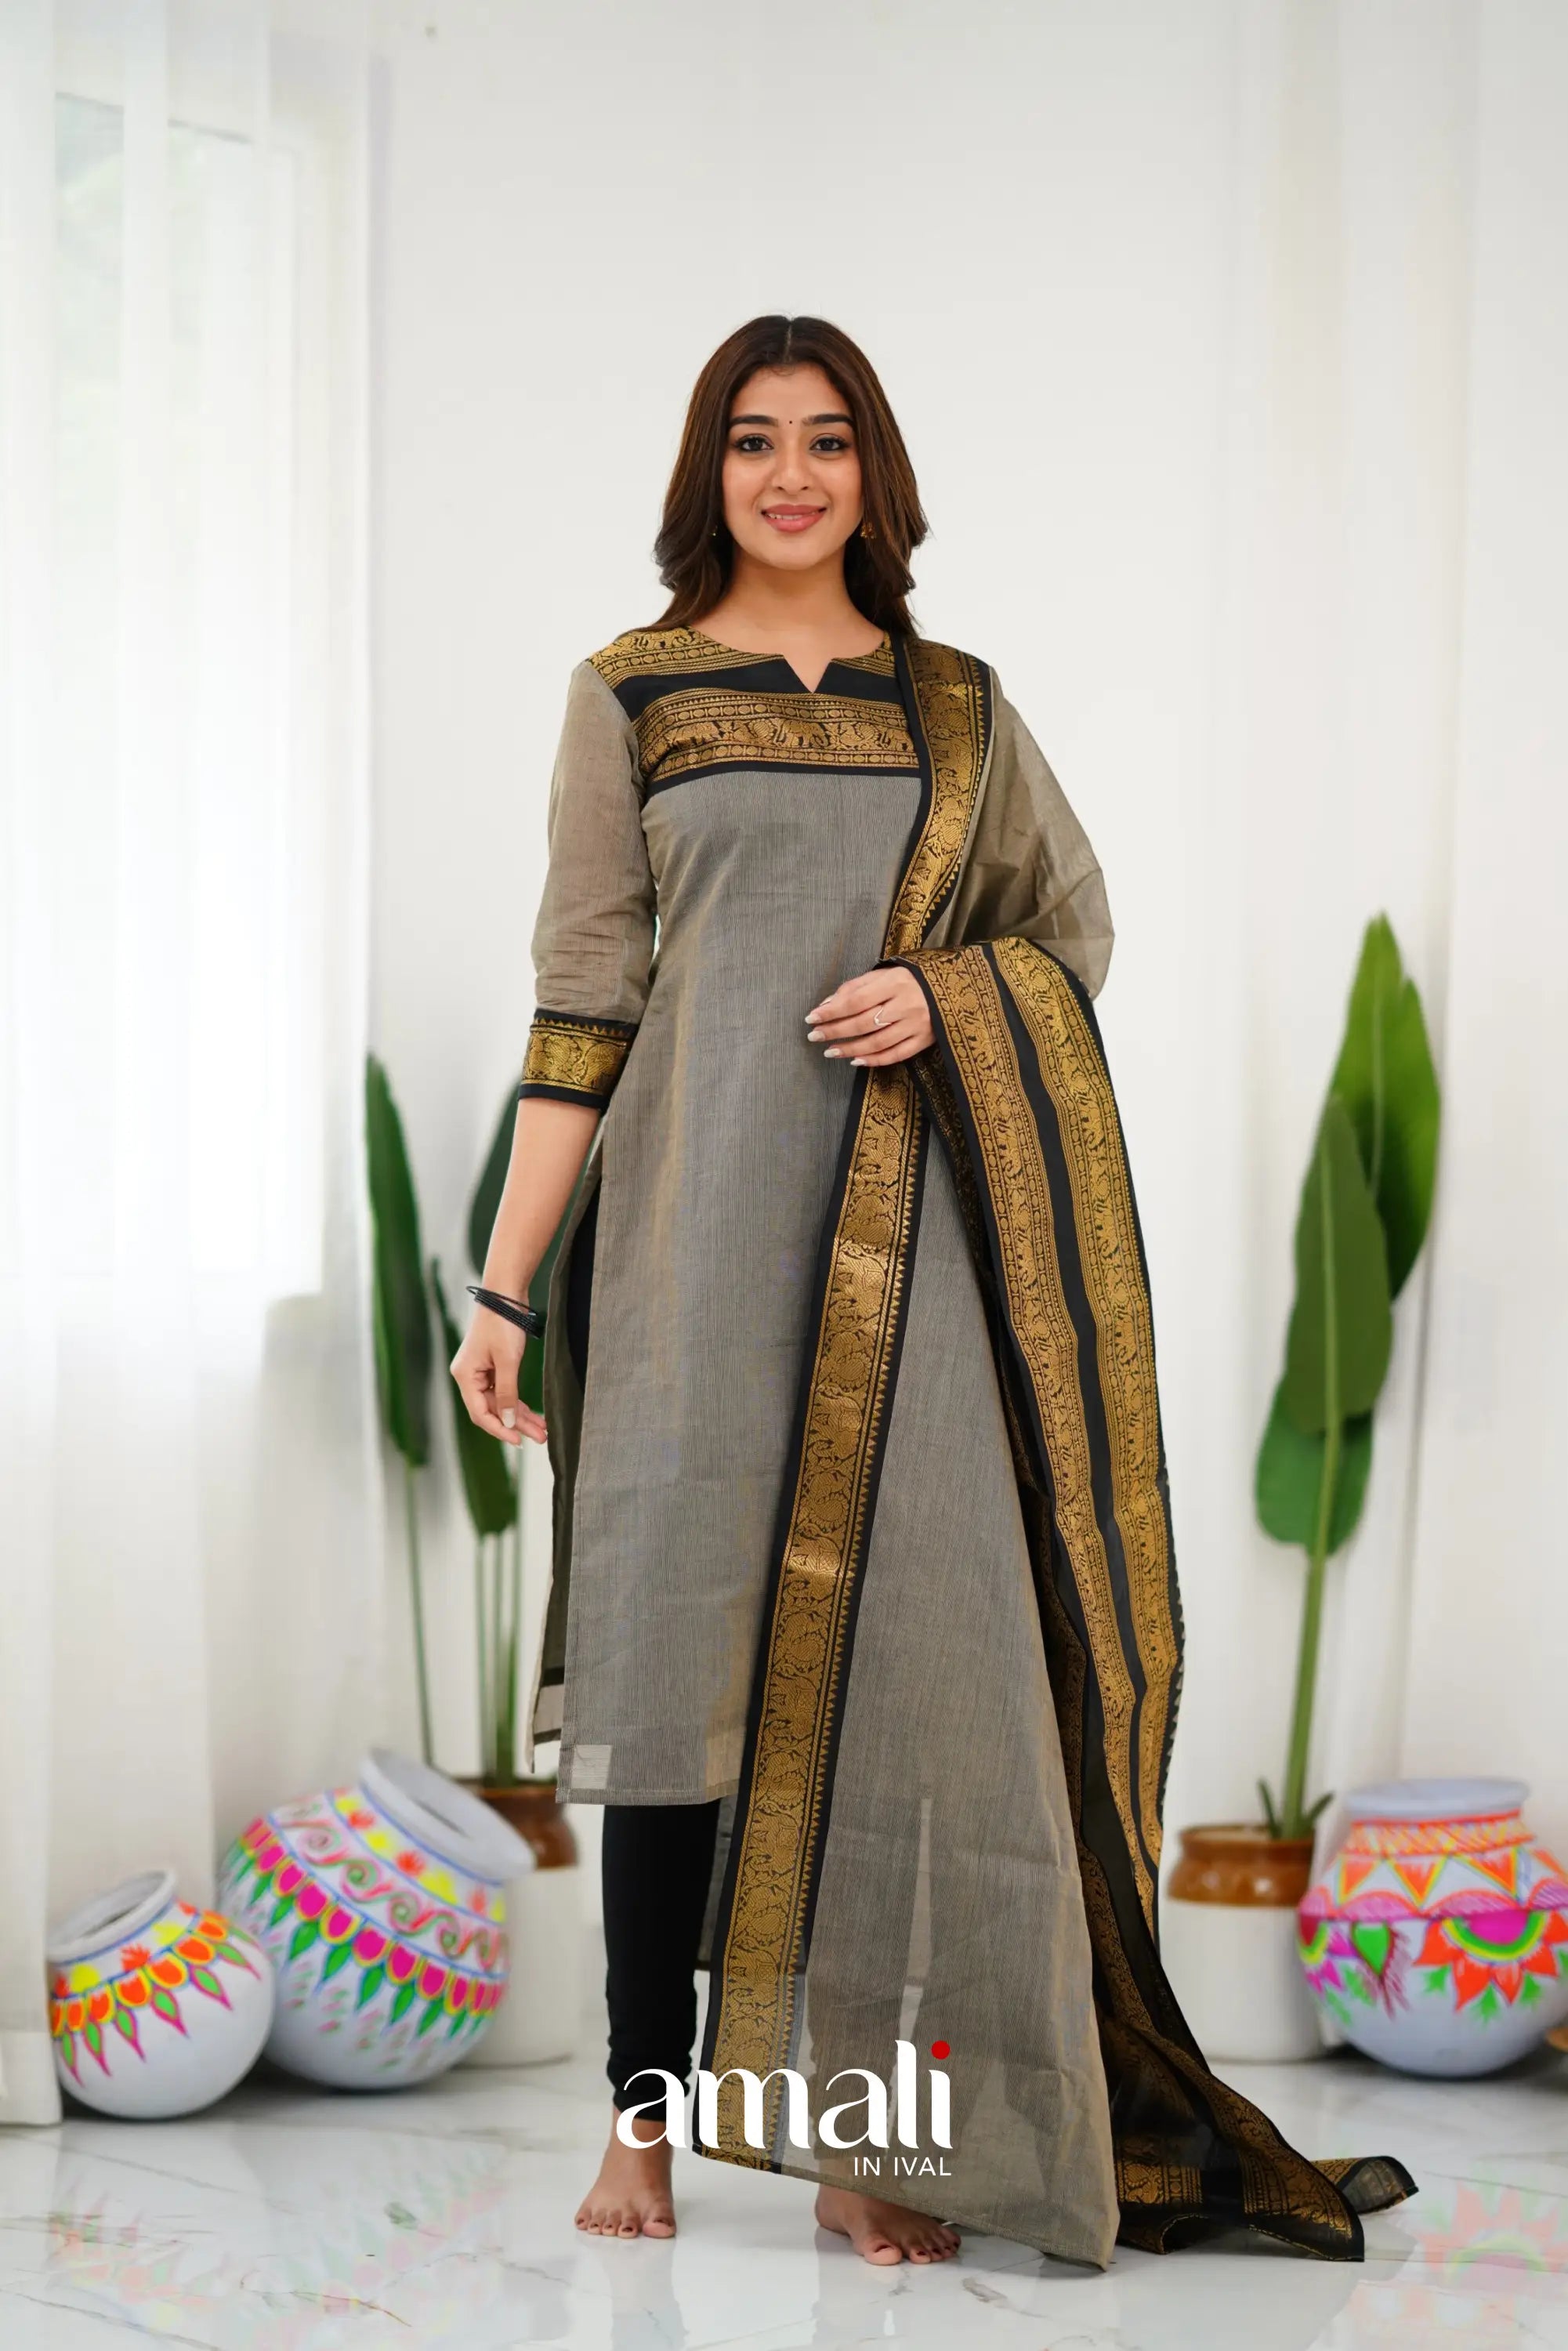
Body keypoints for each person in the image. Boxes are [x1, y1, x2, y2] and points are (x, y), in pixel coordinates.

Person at [451, 315, 1411, 2268]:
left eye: (826, 441)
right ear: (706, 472)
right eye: (752, 441)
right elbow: (583, 997)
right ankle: (643, 2125)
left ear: (873, 475)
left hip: (920, 1269)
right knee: (672, 1698)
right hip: (687, 1254)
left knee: (912, 1697)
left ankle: (853, 2137)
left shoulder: (953, 707)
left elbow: (1068, 929)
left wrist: (944, 993)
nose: (789, 475)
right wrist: (504, 1288)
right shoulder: (630, 692)